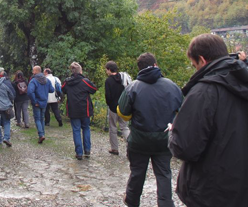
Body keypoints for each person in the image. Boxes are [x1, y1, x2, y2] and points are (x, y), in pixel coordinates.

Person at [168, 34, 248, 207]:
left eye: (194, 64)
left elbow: (185, 147)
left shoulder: (204, 92)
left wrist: (174, 133)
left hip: (211, 191)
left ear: (202, 60)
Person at [117, 53, 182, 207]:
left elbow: (123, 112)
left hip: (139, 139)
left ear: (139, 68)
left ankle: (132, 201)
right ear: (155, 64)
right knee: (164, 173)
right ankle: (166, 203)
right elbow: (183, 112)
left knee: (137, 172)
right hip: (164, 139)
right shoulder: (172, 86)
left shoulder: (133, 87)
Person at [62, 62, 98, 160]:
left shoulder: (67, 82)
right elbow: (94, 89)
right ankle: (87, 150)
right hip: (84, 110)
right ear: (80, 71)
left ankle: (79, 153)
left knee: (76, 130)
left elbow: (63, 89)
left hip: (73, 110)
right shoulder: (85, 81)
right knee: (86, 128)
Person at [104, 61, 130, 155]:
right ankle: (130, 146)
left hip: (113, 107)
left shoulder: (109, 81)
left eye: (106, 69)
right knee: (124, 127)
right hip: (124, 107)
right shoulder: (124, 78)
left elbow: (108, 95)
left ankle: (114, 148)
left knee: (113, 128)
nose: (106, 72)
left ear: (109, 69)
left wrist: (109, 104)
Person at [27, 65, 54, 144]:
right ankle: (42, 134)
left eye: (33, 71)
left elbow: (30, 92)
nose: (32, 72)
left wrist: (34, 101)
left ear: (35, 72)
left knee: (37, 119)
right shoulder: (47, 80)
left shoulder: (34, 81)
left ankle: (41, 134)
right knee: (42, 118)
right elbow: (52, 90)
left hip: (37, 103)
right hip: (44, 102)